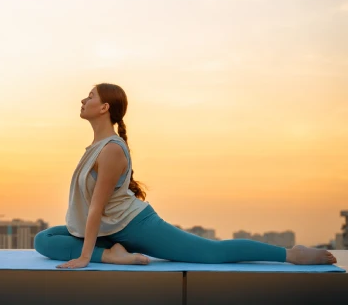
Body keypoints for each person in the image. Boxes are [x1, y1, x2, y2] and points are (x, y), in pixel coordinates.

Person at [34, 83, 338, 269]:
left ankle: (290, 254)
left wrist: (86, 258)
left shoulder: (111, 149)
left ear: (104, 107)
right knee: (44, 240)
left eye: (89, 96)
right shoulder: (96, 146)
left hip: (134, 226)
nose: (82, 101)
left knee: (210, 252)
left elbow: (97, 207)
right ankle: (112, 255)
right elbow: (90, 211)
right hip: (107, 230)